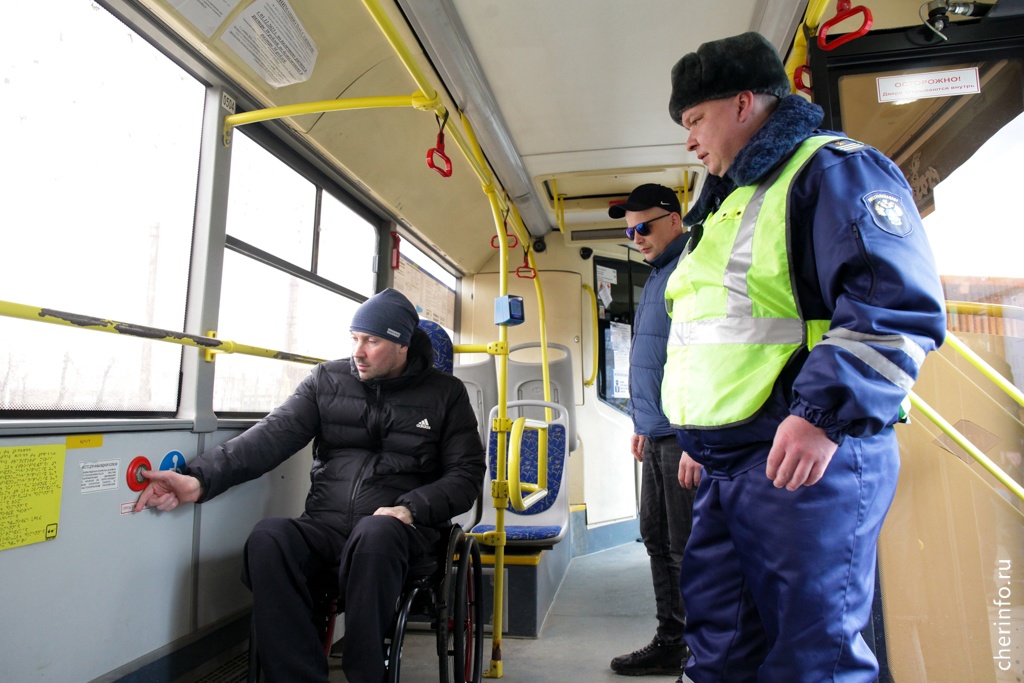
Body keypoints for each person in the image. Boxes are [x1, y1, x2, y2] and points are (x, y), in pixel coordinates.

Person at [662, 33, 947, 682]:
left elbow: (893, 305)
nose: (689, 140)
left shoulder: (833, 170)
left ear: (742, 105)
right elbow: (714, 331)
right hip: (727, 461)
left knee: (813, 661)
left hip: (805, 454)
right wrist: (697, 431)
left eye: (694, 119)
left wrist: (822, 415)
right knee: (720, 649)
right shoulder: (726, 201)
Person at [133, 288, 485, 683]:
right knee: (269, 537)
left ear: (402, 345)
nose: (358, 351)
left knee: (377, 530)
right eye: (354, 338)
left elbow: (465, 475)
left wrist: (410, 508)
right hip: (327, 527)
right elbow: (271, 436)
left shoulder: (445, 395)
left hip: (402, 533)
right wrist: (199, 480)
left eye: (372, 341)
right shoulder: (326, 381)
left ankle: (367, 673)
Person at [607, 184, 701, 676]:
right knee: (656, 537)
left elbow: (700, 356)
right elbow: (654, 356)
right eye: (629, 230)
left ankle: (700, 650)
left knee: (686, 546)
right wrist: (643, 423)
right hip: (660, 430)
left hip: (684, 433)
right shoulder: (658, 275)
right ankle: (672, 639)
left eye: (643, 227)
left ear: (673, 219)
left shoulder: (691, 267)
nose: (636, 237)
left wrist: (696, 435)